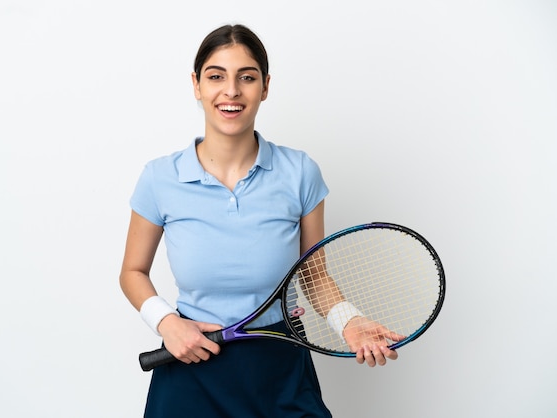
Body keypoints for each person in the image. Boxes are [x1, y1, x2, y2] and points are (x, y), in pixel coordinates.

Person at [120, 24, 402, 417]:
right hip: (190, 366)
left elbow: (314, 276)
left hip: (279, 364)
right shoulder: (160, 178)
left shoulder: (299, 172)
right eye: (216, 76)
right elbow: (132, 271)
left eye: (246, 77)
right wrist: (166, 323)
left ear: (265, 87)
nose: (231, 91)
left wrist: (348, 322)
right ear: (196, 85)